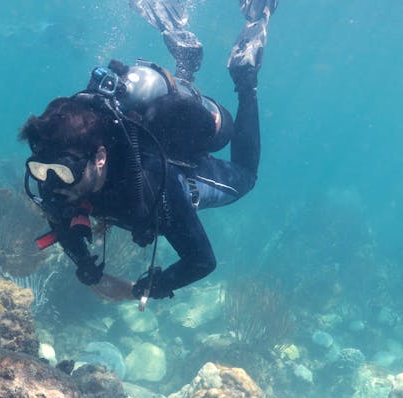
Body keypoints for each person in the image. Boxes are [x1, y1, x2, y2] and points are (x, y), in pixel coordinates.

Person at [20, 0, 278, 308]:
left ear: (100, 157)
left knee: (246, 179)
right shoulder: (54, 172)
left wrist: (137, 290)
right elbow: (60, 220)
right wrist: (85, 265)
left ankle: (245, 79)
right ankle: (185, 64)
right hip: (153, 130)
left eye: (64, 172)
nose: (53, 183)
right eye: (40, 170)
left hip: (175, 163)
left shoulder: (153, 182)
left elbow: (201, 260)